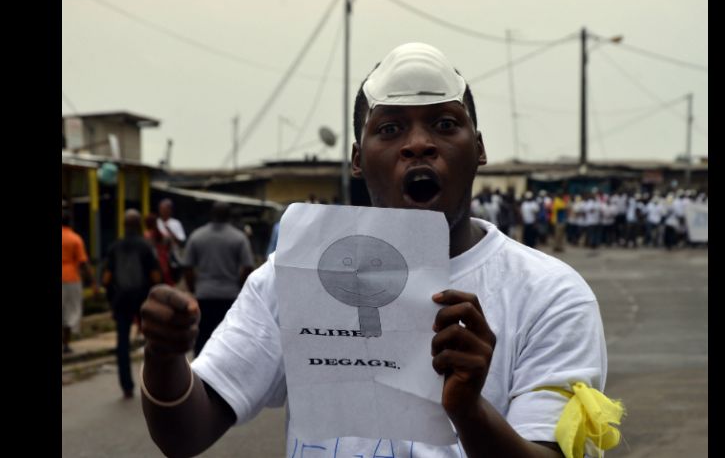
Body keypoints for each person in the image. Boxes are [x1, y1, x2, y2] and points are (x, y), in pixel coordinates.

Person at [140, 42, 620, 458]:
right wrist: (164, 357)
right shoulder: (295, 276)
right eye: (390, 129)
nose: (418, 145)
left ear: (478, 149)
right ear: (356, 158)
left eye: (445, 124)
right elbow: (185, 433)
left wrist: (469, 410)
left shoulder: (550, 295)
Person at [181, 202, 254, 356]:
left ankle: (201, 376)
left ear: (211, 215)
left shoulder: (197, 236)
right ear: (229, 216)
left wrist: (194, 287)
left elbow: (187, 266)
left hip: (204, 296)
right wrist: (239, 285)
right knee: (227, 340)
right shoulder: (239, 238)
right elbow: (248, 267)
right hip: (230, 297)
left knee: (202, 339)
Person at [103, 209, 162, 398]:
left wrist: (111, 299)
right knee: (152, 341)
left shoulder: (114, 247)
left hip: (121, 299)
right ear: (139, 226)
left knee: (122, 343)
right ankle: (154, 383)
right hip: (143, 299)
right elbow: (155, 276)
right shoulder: (146, 247)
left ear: (123, 226)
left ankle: (126, 386)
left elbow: (106, 278)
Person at [62, 203, 97, 354]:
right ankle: (66, 344)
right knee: (71, 310)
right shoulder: (75, 239)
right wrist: (93, 282)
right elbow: (83, 262)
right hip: (71, 277)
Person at [156, 198, 186, 282]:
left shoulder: (176, 223)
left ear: (170, 210)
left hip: (173, 258)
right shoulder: (156, 222)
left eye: (165, 209)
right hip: (159, 258)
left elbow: (181, 242)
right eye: (161, 209)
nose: (162, 211)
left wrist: (170, 232)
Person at [144, 213, 176, 286]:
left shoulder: (146, 236)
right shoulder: (164, 236)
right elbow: (171, 246)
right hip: (164, 265)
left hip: (152, 267)